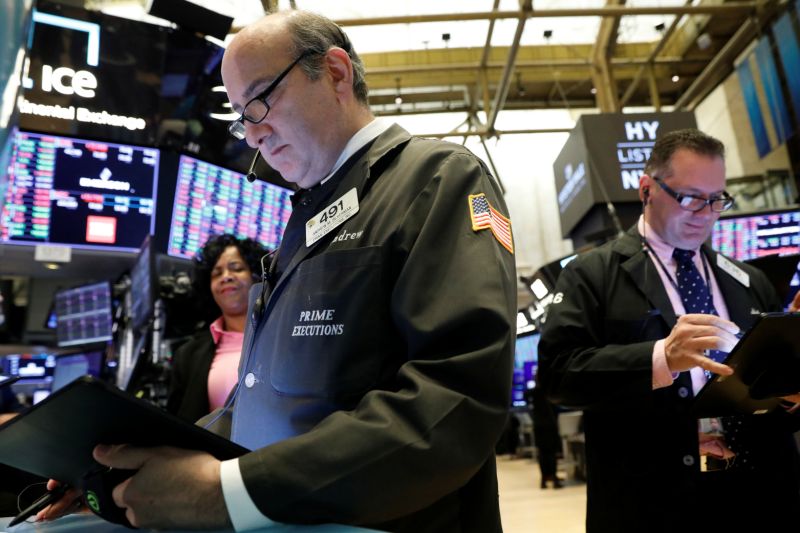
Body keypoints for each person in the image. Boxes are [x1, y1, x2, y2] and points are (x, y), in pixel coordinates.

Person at [41, 9, 516, 532]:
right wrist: (127, 466)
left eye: (261, 99)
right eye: (242, 114)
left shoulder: (437, 178)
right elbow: (257, 400)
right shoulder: (303, 221)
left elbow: (456, 399)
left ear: (335, 72)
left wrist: (234, 491)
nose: (252, 135)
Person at [538, 128, 800, 532]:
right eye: (692, 198)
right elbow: (558, 375)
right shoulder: (592, 275)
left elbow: (773, 393)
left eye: (717, 200)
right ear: (647, 189)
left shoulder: (746, 280)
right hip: (651, 497)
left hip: (758, 494)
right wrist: (660, 358)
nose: (706, 213)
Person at [166, 234, 269, 422]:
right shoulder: (187, 355)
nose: (226, 277)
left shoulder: (284, 334)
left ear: (257, 276)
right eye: (216, 273)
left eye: (236, 268)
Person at [527, 385, 562, 489]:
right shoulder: (551, 390)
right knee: (552, 453)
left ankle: (543, 480)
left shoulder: (533, 392)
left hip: (538, 425)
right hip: (550, 425)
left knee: (542, 453)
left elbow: (525, 396)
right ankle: (554, 478)